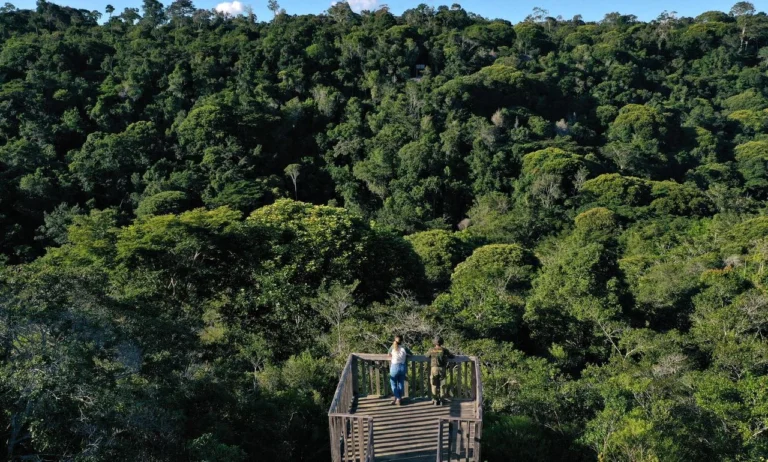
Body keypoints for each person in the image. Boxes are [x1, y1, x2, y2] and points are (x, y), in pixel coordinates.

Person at [427, 336, 454, 405]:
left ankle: (435, 399)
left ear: (434, 342)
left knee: (434, 384)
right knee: (442, 384)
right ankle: (442, 399)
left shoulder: (431, 349)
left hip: (434, 368)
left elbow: (427, 356)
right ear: (441, 342)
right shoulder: (444, 350)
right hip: (442, 368)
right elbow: (451, 356)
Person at [387, 334, 411, 405]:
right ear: (402, 341)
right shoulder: (404, 348)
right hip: (402, 367)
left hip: (394, 367)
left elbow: (388, 354)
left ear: (395, 340)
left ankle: (398, 398)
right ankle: (399, 399)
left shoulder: (392, 347)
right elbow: (410, 354)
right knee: (401, 383)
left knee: (393, 384)